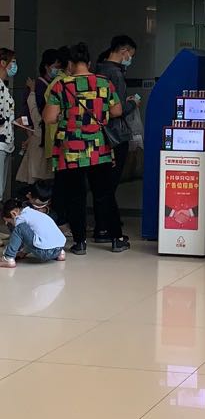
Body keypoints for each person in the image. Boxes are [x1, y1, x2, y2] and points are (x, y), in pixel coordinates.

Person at [44, 42, 129, 255]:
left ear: (70, 64)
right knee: (105, 194)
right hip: (99, 149)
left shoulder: (61, 85)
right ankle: (117, 239)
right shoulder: (104, 82)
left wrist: (65, 115)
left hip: (71, 149)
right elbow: (117, 111)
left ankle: (80, 242)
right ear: (89, 63)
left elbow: (49, 117)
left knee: (75, 196)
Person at [92, 35, 139, 242]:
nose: (130, 59)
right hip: (115, 135)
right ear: (124, 50)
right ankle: (109, 230)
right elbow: (116, 110)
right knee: (109, 186)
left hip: (97, 134)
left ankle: (101, 227)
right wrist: (133, 104)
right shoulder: (116, 74)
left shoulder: (98, 70)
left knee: (100, 184)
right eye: (131, 54)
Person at [15, 50, 60, 189]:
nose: (58, 70)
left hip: (42, 138)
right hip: (39, 137)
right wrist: (30, 134)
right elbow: (29, 114)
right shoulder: (40, 86)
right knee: (39, 179)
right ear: (47, 66)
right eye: (56, 66)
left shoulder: (48, 85)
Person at [1, 196, 66, 268]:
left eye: (9, 222)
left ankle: (8, 258)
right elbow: (33, 236)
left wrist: (8, 252)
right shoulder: (34, 213)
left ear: (13, 213)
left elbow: (20, 241)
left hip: (45, 253)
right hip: (59, 249)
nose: (8, 224)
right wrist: (24, 252)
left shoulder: (20, 218)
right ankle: (61, 254)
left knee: (19, 228)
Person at [0, 47, 17, 200]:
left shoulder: (3, 86)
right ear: (3, 63)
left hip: (5, 142)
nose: (14, 66)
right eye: (13, 62)